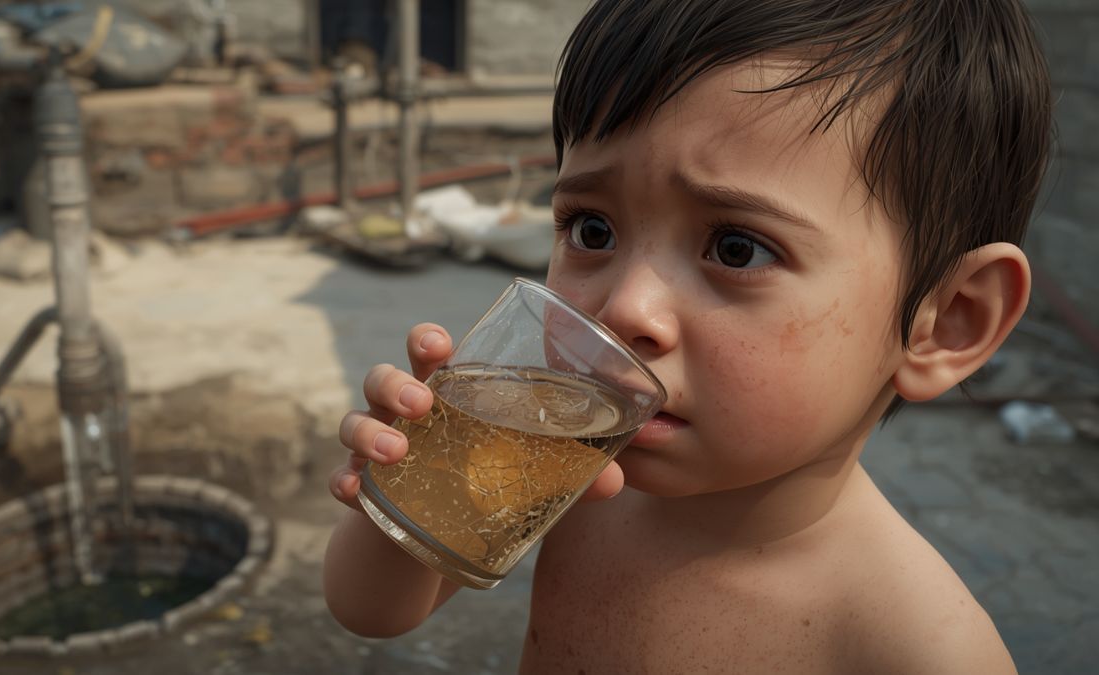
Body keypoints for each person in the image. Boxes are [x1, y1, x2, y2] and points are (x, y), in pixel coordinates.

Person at [323, 1, 1052, 671]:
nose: (627, 307)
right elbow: (372, 609)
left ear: (946, 323)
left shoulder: (916, 643)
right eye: (593, 229)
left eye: (736, 249)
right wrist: (404, 487)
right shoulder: (570, 474)